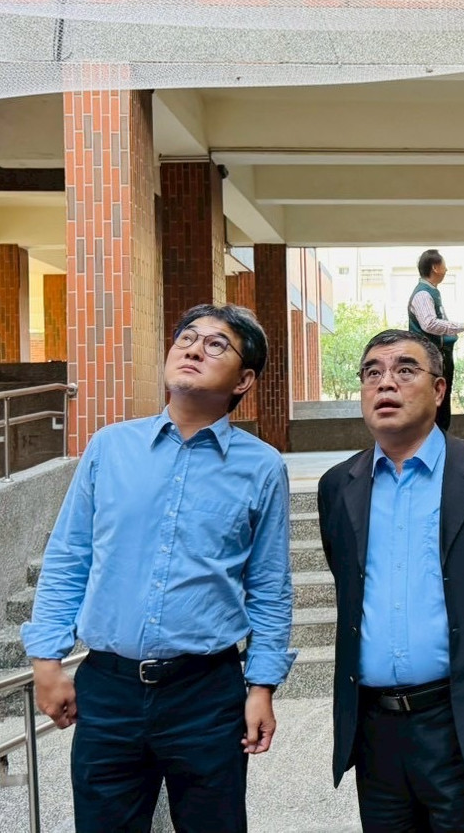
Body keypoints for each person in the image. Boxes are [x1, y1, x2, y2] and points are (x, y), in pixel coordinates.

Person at [22, 304, 293, 833]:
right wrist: (46, 660)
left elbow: (269, 586)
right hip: (109, 689)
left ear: (244, 380)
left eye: (216, 344)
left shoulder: (262, 466)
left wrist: (261, 686)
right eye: (186, 338)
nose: (193, 349)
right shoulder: (110, 447)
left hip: (207, 693)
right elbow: (69, 557)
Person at [316, 329, 464, 832]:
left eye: (404, 370)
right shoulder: (338, 485)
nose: (385, 383)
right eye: (372, 373)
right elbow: (348, 582)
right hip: (376, 733)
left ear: (439, 390)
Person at [408, 249, 464, 431]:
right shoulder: (423, 294)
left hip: (440, 355)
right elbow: (429, 324)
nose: (446, 269)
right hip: (430, 357)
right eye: (444, 265)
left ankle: (441, 437)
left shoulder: (432, 291)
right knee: (435, 400)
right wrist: (462, 326)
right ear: (435, 267)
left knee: (442, 399)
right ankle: (434, 438)